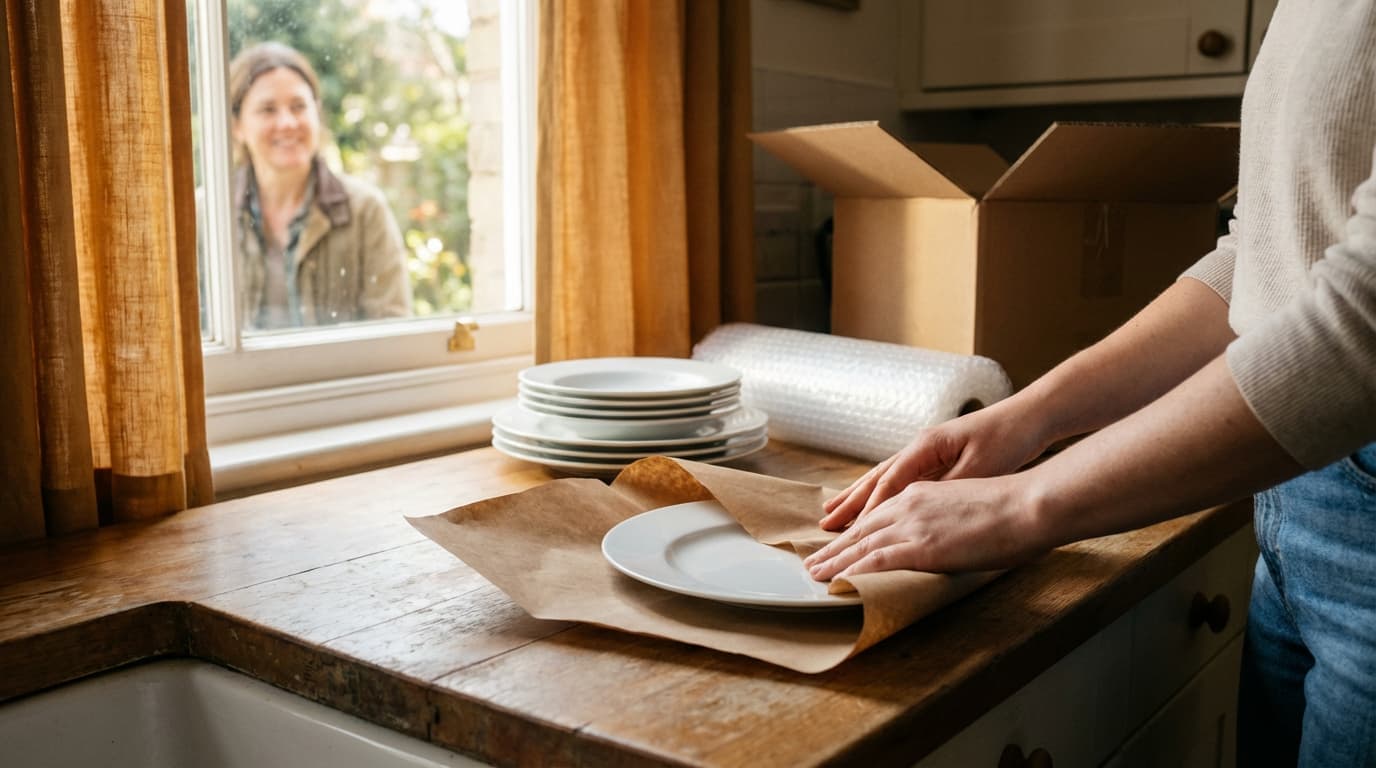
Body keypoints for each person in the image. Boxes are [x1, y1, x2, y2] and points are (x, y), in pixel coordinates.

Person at [803, 1, 1376, 764]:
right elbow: (1265, 254)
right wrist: (1029, 416)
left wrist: (1024, 503)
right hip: (1294, 503)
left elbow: (1360, 324)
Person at [227, 41, 410, 331]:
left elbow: (392, 329)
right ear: (236, 125)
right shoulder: (205, 217)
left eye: (299, 106)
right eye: (267, 109)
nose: (287, 122)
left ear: (317, 112)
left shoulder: (365, 211)